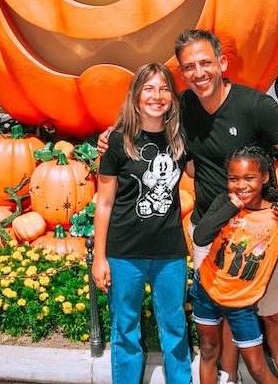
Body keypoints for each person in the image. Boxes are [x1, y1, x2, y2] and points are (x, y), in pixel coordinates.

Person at [99, 30, 278, 384]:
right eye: (189, 67)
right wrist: (112, 134)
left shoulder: (254, 106)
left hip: (260, 230)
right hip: (209, 230)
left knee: (273, 311)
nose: (198, 73)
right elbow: (147, 118)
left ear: (222, 63)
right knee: (223, 312)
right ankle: (229, 376)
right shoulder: (184, 108)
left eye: (205, 63)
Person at [92, 63, 191, 384]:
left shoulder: (180, 140)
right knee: (125, 330)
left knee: (175, 329)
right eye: (148, 88)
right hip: (125, 254)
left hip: (170, 253)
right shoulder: (117, 142)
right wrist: (99, 257)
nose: (156, 95)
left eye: (163, 88)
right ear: (135, 96)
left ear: (172, 98)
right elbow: (104, 203)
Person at [191, 146, 278, 384]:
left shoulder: (276, 214)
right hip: (207, 290)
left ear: (265, 177)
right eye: (234, 179)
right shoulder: (225, 202)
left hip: (241, 302)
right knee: (209, 351)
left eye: (249, 178)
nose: (241, 185)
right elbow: (201, 236)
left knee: (257, 367)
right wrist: (232, 207)